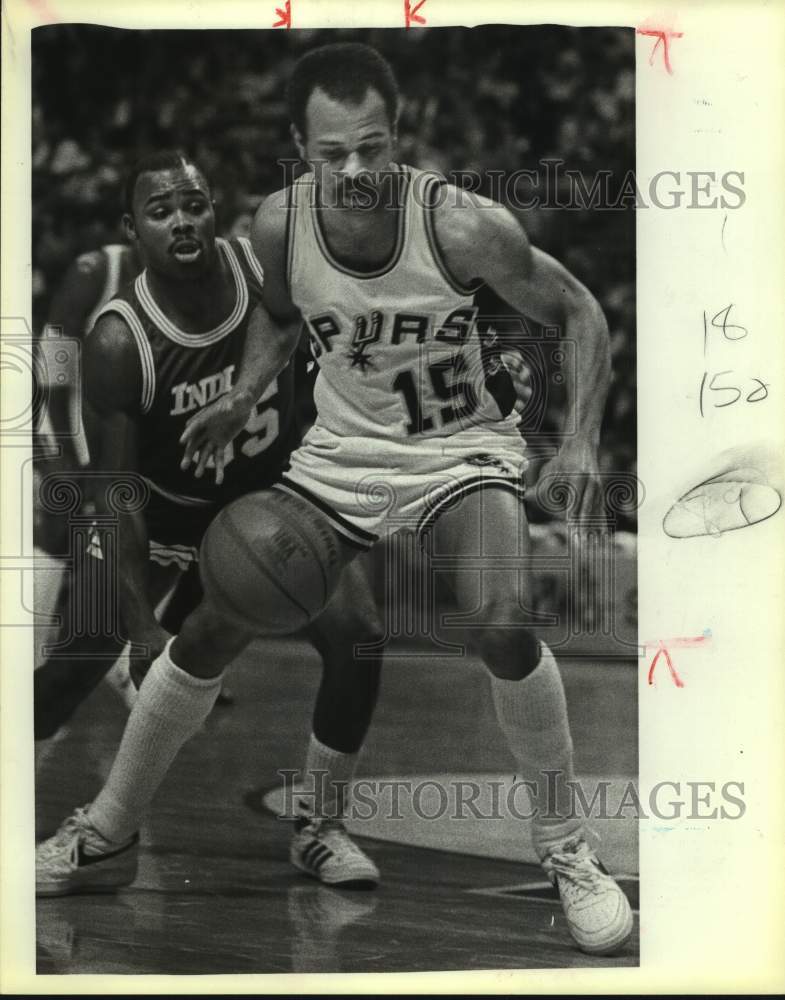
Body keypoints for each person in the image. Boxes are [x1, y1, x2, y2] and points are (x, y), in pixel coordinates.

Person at [37, 45, 633, 956]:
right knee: (207, 630)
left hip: (453, 452)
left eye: (371, 148)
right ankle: (108, 827)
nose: (354, 171)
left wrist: (582, 439)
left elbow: (581, 310)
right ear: (298, 149)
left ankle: (565, 849)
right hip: (338, 456)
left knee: (504, 623)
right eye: (331, 154)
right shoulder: (279, 225)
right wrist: (242, 392)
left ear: (399, 137)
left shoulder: (465, 226)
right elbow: (279, 315)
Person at [35, 149, 383, 890]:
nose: (182, 221)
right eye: (161, 212)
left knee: (355, 634)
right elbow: (114, 495)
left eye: (192, 204)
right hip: (159, 512)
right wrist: (137, 626)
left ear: (215, 208)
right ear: (134, 230)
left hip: (275, 498)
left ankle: (319, 826)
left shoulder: (266, 268)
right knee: (83, 656)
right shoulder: (117, 337)